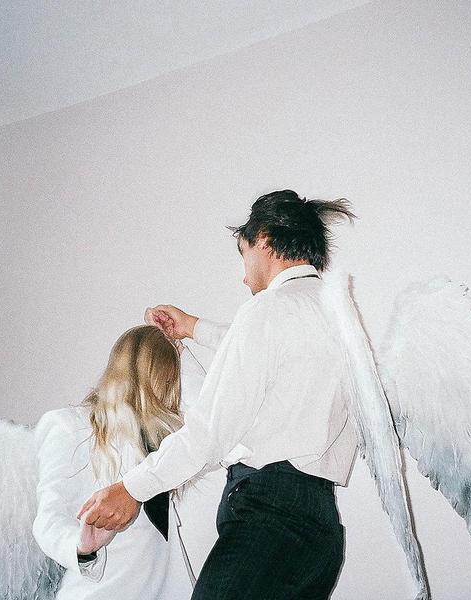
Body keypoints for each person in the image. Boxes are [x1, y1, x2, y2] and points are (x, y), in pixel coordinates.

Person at [78, 190, 359, 599]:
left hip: (268, 515)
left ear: (264, 240)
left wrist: (131, 488)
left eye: (243, 254)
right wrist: (192, 327)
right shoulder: (336, 317)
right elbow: (274, 357)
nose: (244, 277)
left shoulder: (267, 311)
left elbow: (210, 432)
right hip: (320, 529)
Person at [33, 324, 203, 600]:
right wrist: (82, 547)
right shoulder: (71, 427)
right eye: (167, 373)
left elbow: (213, 419)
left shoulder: (171, 442)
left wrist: (183, 351)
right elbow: (48, 517)